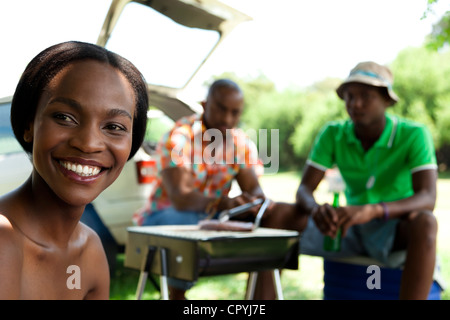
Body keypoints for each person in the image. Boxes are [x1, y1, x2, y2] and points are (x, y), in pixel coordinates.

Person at [261, 61, 438, 300]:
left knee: (426, 223)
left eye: (366, 96)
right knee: (277, 213)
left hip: (391, 227)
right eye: (349, 96)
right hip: (345, 226)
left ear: (387, 100)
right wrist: (316, 211)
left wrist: (373, 210)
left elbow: (428, 197)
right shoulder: (334, 133)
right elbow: (304, 189)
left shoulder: (414, 134)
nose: (355, 103)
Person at [0, 41, 149, 299]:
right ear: (29, 125)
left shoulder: (90, 250)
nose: (89, 143)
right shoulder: (3, 238)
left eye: (114, 127)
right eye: (65, 117)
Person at [133, 79, 300, 300]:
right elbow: (181, 198)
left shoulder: (239, 142)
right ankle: (176, 295)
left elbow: (254, 190)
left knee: (281, 213)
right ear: (204, 105)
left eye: (235, 112)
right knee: (185, 221)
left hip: (214, 216)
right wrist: (224, 203)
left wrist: (256, 203)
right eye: (221, 109)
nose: (227, 118)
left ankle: (260, 299)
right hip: (165, 217)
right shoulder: (180, 136)